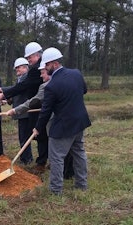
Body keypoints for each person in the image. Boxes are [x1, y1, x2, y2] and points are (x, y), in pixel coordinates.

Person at [33, 47, 91, 195]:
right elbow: (83, 90)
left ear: (54, 63)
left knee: (56, 157)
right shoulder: (76, 74)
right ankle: (81, 184)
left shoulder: (52, 86)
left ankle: (56, 189)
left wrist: (37, 128)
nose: (45, 68)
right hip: (80, 121)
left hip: (64, 126)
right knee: (79, 152)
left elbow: (45, 111)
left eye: (46, 65)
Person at [0, 42, 45, 166]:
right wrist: (7, 96)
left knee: (40, 136)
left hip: (34, 109)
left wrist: (4, 92)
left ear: (37, 55)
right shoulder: (37, 69)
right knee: (38, 137)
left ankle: (39, 162)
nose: (29, 60)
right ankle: (39, 161)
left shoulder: (36, 70)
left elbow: (22, 87)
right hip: (32, 109)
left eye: (29, 58)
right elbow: (19, 87)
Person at [9, 57, 33, 165]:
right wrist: (8, 99)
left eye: (19, 68)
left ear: (26, 68)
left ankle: (27, 159)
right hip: (20, 113)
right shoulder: (19, 79)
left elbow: (19, 90)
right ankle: (25, 157)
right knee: (22, 137)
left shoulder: (26, 79)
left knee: (25, 137)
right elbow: (16, 93)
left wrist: (5, 92)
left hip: (25, 113)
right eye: (16, 68)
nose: (17, 70)